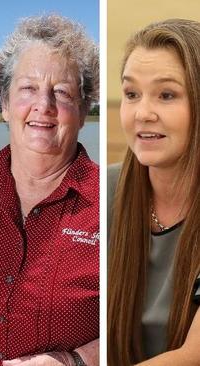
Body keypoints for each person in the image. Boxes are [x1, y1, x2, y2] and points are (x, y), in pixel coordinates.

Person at [0, 14, 99, 366]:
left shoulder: (112, 202)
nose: (44, 106)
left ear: (84, 112)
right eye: (28, 89)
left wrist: (77, 360)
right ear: (5, 106)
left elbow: (143, 321)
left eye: (63, 93)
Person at [108, 19, 200, 366]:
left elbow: (193, 356)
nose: (142, 114)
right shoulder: (101, 192)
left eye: (166, 95)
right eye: (131, 94)